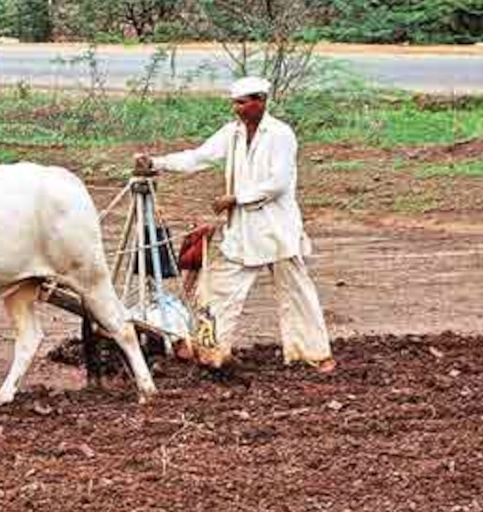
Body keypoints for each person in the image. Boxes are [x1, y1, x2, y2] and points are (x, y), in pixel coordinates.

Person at [133, 76, 337, 374]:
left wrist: (235, 198)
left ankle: (315, 355)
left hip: (277, 228)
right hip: (242, 232)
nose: (236, 109)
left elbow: (277, 183)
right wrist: (157, 163)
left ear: (260, 102)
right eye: (234, 103)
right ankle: (211, 352)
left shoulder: (280, 134)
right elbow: (199, 157)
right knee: (217, 289)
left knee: (297, 294)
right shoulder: (232, 134)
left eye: (242, 103)